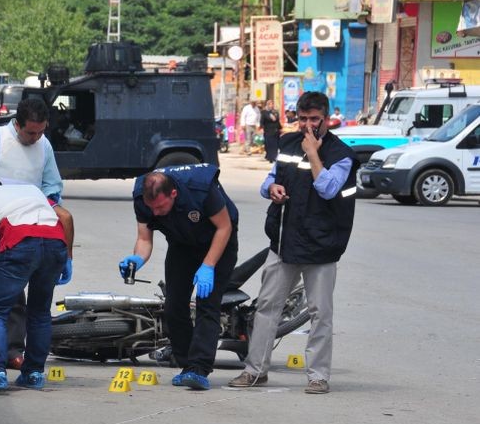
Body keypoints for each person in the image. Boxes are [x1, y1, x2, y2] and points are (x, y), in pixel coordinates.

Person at [228, 91, 358, 395]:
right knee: (266, 308)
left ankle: (318, 376)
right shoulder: (286, 144)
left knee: (320, 313)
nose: (308, 125)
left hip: (322, 246)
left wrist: (313, 153)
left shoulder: (341, 155)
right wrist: (271, 187)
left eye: (314, 119)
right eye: (303, 119)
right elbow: (267, 181)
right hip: (284, 242)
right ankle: (255, 370)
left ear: (327, 119)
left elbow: (327, 189)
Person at [0, 97, 63, 369]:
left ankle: (13, 350)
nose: (36, 137)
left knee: (17, 295)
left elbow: (53, 185)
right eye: (31, 132)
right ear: (17, 124)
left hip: (25, 230)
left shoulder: (44, 146)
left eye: (41, 131)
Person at [119, 165, 238, 391]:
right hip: (182, 244)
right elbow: (144, 239)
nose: (155, 213)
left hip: (217, 240)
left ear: (173, 194)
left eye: (160, 207)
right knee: (174, 304)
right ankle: (186, 364)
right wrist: (136, 259)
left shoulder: (200, 189)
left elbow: (224, 227)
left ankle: (199, 368)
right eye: (151, 207)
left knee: (207, 303)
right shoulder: (143, 198)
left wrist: (208, 265)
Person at [0, 177, 73, 391]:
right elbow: (66, 217)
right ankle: (33, 373)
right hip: (55, 244)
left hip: (21, 243)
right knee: (40, 312)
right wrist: (68, 258)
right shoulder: (32, 193)